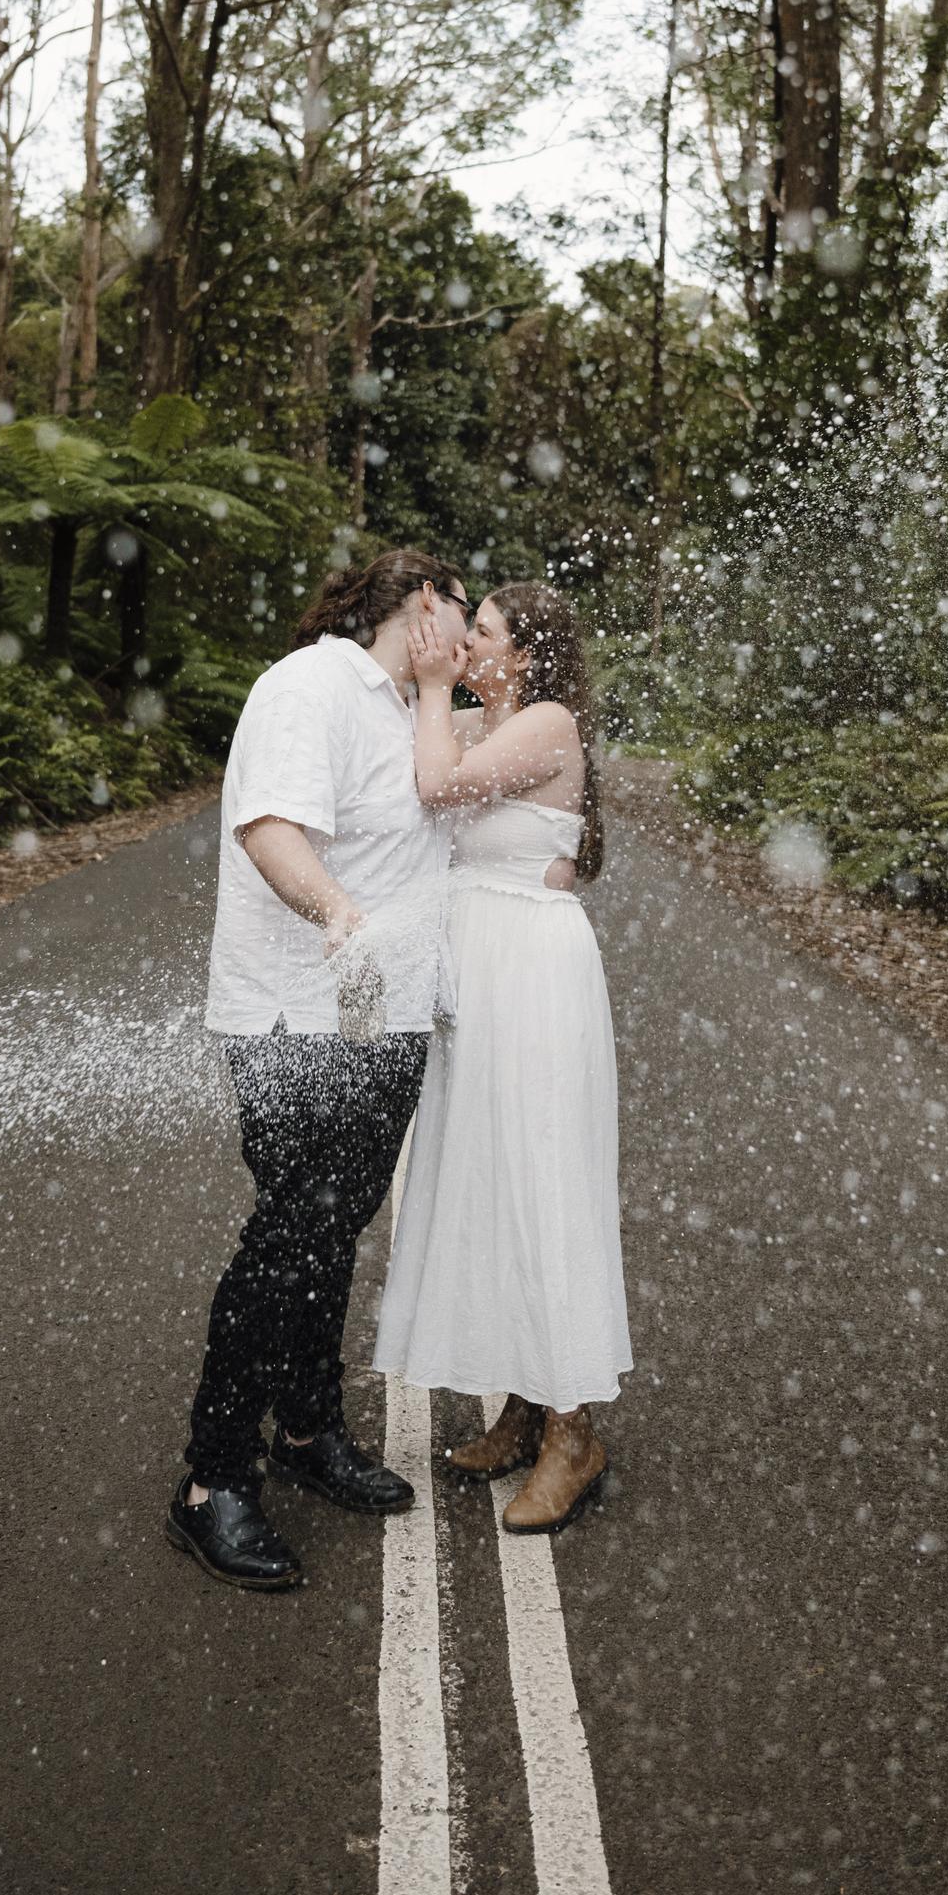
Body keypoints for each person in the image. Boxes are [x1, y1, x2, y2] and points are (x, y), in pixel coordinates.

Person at [167, 547, 475, 1594]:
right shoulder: (308, 684)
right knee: (288, 1233)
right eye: (460, 610)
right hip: (295, 1011)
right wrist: (339, 917)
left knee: (330, 1230)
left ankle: (303, 1431)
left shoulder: (410, 708)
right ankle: (211, 1481)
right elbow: (268, 829)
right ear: (422, 602)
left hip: (383, 1020)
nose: (470, 633)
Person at [375, 582, 632, 1532]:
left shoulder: (548, 721)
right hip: (477, 982)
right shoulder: (492, 721)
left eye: (480, 630)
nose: (463, 641)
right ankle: (523, 1406)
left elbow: (436, 786)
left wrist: (438, 690)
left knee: (540, 1181)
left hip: (530, 975)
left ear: (524, 655)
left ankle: (575, 1434)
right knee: (487, 1180)